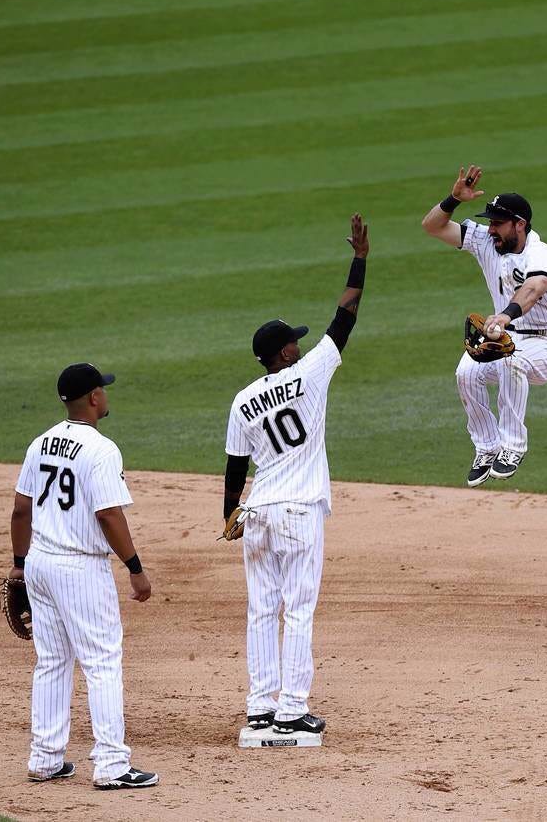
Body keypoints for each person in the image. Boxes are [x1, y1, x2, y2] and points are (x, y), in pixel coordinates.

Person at [223, 214, 369, 735]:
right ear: (285, 352)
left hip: (258, 513)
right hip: (299, 511)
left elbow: (235, 466)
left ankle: (260, 706)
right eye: (295, 342)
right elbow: (345, 316)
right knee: (298, 610)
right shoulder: (310, 375)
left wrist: (229, 515)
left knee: (262, 610)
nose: (302, 346)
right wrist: (360, 259)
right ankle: (291, 711)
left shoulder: (243, 399)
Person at [8, 362, 159, 790]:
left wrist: (20, 563)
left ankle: (44, 759)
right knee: (102, 663)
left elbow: (21, 509)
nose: (106, 395)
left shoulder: (40, 443)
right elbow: (109, 514)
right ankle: (112, 765)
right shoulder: (102, 449)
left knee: (52, 662)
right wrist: (135, 569)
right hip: (80, 569)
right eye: (103, 390)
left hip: (40, 562)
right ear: (93, 398)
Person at [422, 165, 547, 486]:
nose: (490, 229)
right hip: (505, 336)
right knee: (466, 372)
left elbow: (533, 289)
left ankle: (512, 447)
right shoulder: (485, 242)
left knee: (512, 359)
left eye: (497, 223)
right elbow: (432, 227)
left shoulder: (541, 255)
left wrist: (505, 316)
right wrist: (453, 199)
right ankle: (487, 447)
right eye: (489, 222)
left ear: (520, 225)